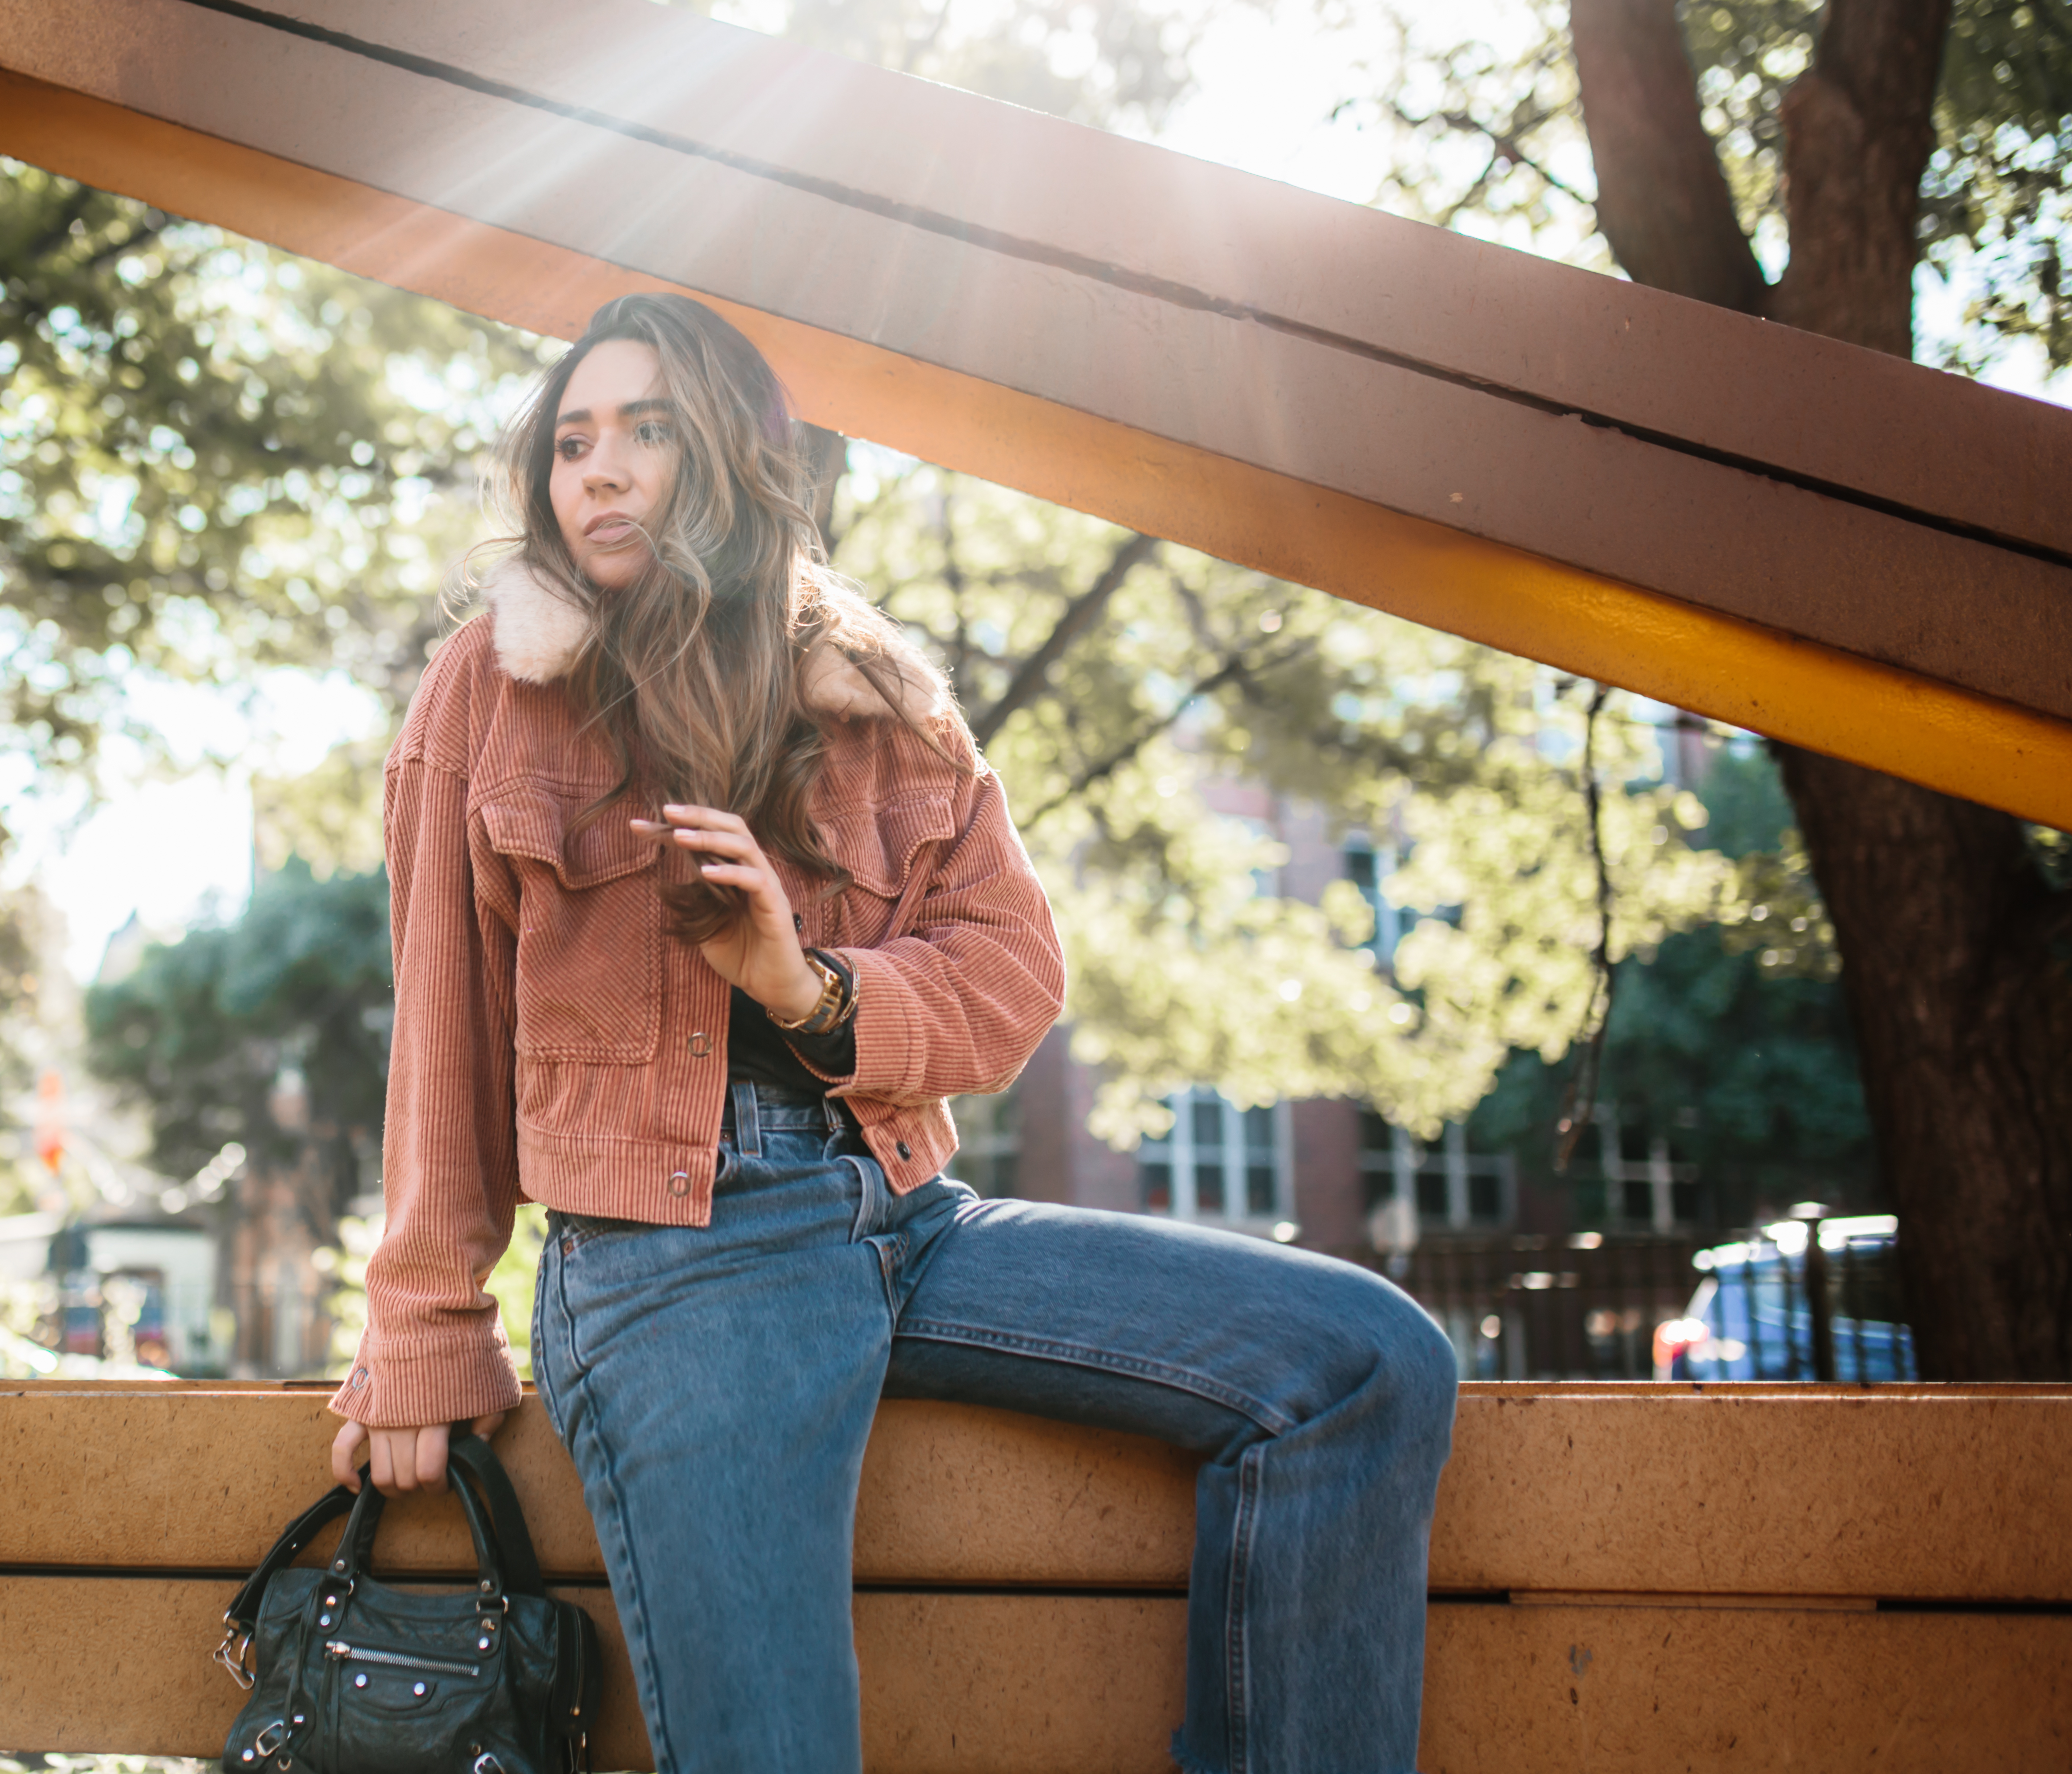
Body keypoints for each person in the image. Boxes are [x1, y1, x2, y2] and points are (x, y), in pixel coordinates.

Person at [327, 291, 1458, 1774]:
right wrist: (423, 1322)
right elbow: (445, 1029)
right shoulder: (491, 689)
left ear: (732, 454)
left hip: (910, 1223)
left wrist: (809, 989)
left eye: (646, 432)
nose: (594, 471)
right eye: (571, 440)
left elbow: (1010, 972)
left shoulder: (872, 691)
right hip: (677, 1262)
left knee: (1366, 1364)